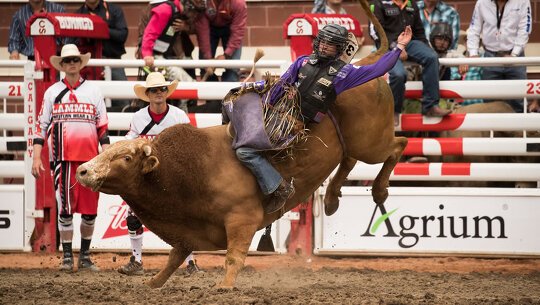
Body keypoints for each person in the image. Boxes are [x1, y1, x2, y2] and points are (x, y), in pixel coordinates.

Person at [230, 24, 412, 214]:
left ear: (339, 49)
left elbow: (378, 69)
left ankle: (277, 188)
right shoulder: (302, 62)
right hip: (280, 116)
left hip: (299, 126)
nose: (324, 47)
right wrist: (266, 106)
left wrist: (398, 47)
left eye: (330, 44)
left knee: (244, 152)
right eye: (323, 42)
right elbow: (282, 85)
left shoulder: (345, 74)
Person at [31, 44, 110, 272]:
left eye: (75, 59)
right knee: (65, 208)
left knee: (90, 210)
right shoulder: (52, 92)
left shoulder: (94, 92)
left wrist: (106, 156)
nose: (72, 63)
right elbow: (40, 126)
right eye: (68, 60)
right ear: (62, 65)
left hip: (90, 162)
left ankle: (84, 256)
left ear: (80, 63)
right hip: (62, 160)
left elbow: (102, 128)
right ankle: (67, 256)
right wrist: (37, 157)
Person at [117, 72, 200, 276]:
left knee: (185, 217)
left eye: (162, 89)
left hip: (173, 175)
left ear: (166, 92)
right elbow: (130, 143)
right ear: (148, 94)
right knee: (133, 216)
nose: (159, 93)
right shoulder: (138, 118)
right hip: (146, 176)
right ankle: (136, 260)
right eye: (154, 90)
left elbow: (191, 142)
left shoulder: (178, 116)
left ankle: (190, 262)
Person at [369, 0, 451, 125]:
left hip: (410, 43)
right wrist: (396, 47)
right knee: (398, 74)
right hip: (386, 47)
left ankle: (430, 106)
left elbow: (419, 31)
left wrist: (425, 48)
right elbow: (374, 32)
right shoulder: (377, 2)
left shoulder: (411, 3)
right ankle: (394, 111)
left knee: (431, 57)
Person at [467, 0, 532, 113]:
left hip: (515, 57)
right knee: (490, 102)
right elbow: (474, 28)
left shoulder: (522, 1)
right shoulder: (482, 3)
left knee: (518, 100)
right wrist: (473, 53)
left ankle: (520, 130)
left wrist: (514, 55)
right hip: (490, 57)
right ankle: (493, 130)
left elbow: (525, 29)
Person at [75, 0, 129, 111]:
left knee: (123, 98)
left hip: (113, 60)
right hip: (88, 64)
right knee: (87, 99)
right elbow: (73, 40)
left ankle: (123, 127)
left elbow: (122, 35)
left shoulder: (114, 10)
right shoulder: (79, 14)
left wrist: (100, 28)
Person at [194, 0, 247, 82]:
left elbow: (238, 31)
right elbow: (202, 30)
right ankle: (209, 90)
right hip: (209, 29)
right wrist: (208, 58)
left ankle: (230, 90)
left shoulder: (238, 3)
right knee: (205, 67)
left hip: (231, 29)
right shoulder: (203, 2)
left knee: (233, 69)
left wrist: (226, 55)